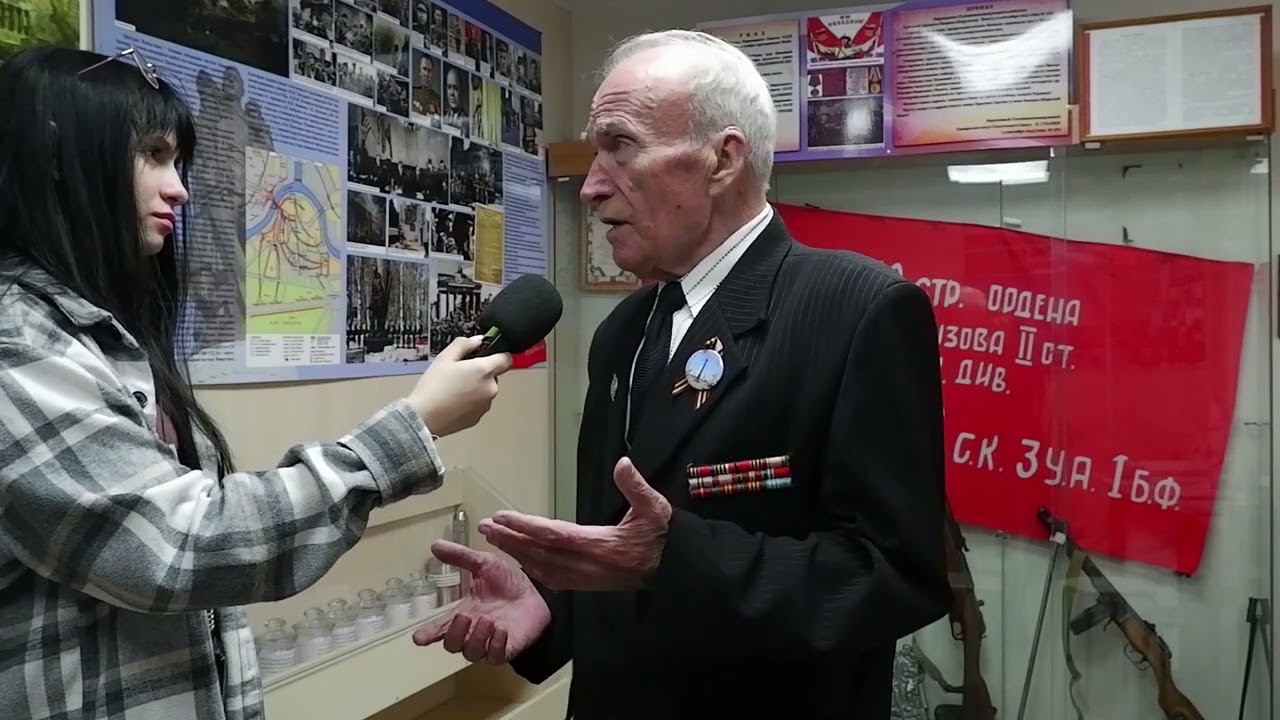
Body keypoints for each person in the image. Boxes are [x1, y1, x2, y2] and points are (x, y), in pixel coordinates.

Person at [415, 30, 951, 718]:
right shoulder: (623, 332)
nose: (591, 186)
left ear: (722, 159)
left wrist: (675, 559)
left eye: (620, 146)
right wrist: (551, 604)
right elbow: (620, 545)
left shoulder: (857, 310)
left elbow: (892, 578)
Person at [0, 46, 512, 720]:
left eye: (178, 161)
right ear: (57, 156)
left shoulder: (101, 335)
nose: (179, 189)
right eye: (152, 155)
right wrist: (412, 428)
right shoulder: (17, 343)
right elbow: (180, 546)